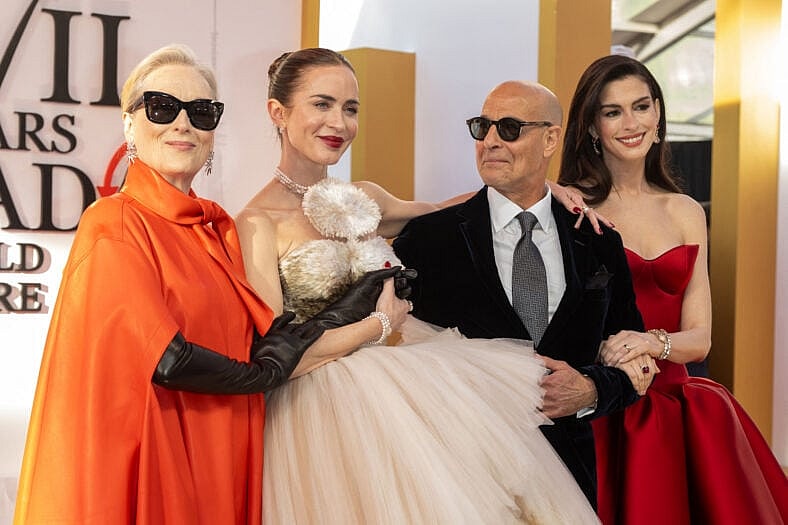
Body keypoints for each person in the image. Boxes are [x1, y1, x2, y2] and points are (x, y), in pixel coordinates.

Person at [13, 44, 394, 524]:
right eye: (162, 107)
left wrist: (356, 307)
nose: (182, 124)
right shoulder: (115, 222)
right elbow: (169, 360)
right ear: (129, 124)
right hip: (156, 460)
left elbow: (266, 337)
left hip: (219, 452)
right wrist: (269, 374)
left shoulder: (214, 231)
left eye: (201, 111)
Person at [236, 48, 603, 523]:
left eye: (351, 108)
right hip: (321, 410)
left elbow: (452, 210)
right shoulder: (256, 223)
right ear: (278, 112)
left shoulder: (364, 197)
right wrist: (377, 324)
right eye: (322, 104)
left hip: (409, 382)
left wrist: (545, 187)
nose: (339, 123)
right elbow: (274, 354)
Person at [392, 79, 651, 508]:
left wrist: (589, 390)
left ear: (550, 139)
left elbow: (633, 358)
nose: (490, 141)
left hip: (568, 475)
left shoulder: (599, 242)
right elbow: (395, 355)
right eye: (482, 127)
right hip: (458, 477)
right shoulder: (427, 241)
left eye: (509, 128)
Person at [558, 53, 788, 525]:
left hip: (679, 409)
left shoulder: (686, 211)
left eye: (641, 106)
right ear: (592, 126)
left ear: (659, 113)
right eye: (612, 111)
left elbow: (700, 336)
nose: (630, 123)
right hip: (602, 407)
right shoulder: (570, 206)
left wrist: (651, 341)